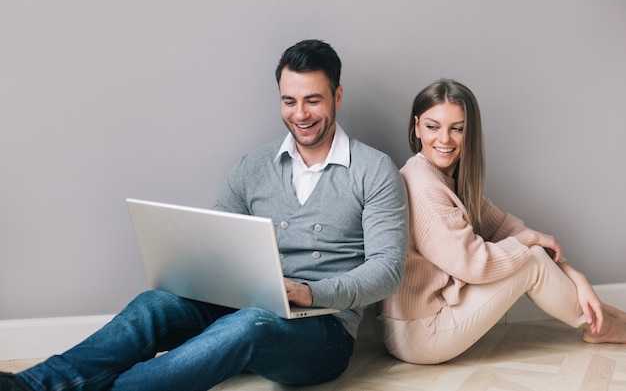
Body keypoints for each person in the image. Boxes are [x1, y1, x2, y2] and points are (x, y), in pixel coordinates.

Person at [0, 39, 408, 391]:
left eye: (313, 100)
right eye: (289, 100)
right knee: (154, 303)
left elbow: (388, 270)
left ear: (337, 96)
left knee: (251, 324)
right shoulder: (255, 165)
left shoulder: (373, 170)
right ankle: (31, 385)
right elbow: (218, 240)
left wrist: (310, 292)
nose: (299, 114)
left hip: (323, 331)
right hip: (244, 306)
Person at [377, 78, 626, 365]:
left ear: (469, 133)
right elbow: (474, 264)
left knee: (530, 253)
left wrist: (574, 274)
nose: (444, 139)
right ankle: (598, 326)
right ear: (417, 126)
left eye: (457, 129)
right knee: (530, 260)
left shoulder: (449, 177)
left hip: (427, 320)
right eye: (433, 127)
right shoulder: (422, 183)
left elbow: (504, 227)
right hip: (418, 333)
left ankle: (604, 317)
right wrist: (528, 241)